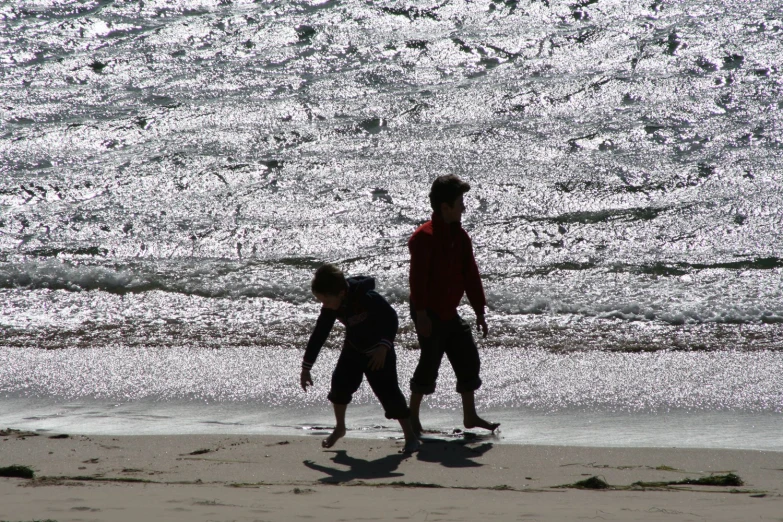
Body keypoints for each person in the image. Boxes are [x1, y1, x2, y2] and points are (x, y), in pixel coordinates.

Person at [408, 174, 499, 436]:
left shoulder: (461, 237)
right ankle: (411, 416)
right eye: (460, 202)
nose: (464, 207)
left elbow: (471, 274)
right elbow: (418, 281)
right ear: (445, 207)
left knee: (467, 357)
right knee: (430, 361)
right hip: (427, 310)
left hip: (449, 310)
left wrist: (479, 310)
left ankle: (469, 416)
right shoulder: (423, 237)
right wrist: (422, 314)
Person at [300, 263, 419, 453]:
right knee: (339, 387)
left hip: (378, 353)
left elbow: (391, 318)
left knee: (389, 395)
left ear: (340, 293)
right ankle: (340, 428)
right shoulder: (333, 306)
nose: (325, 305)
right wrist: (306, 367)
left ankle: (411, 437)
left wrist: (383, 347)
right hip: (353, 350)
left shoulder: (367, 297)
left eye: (326, 300)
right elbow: (319, 334)